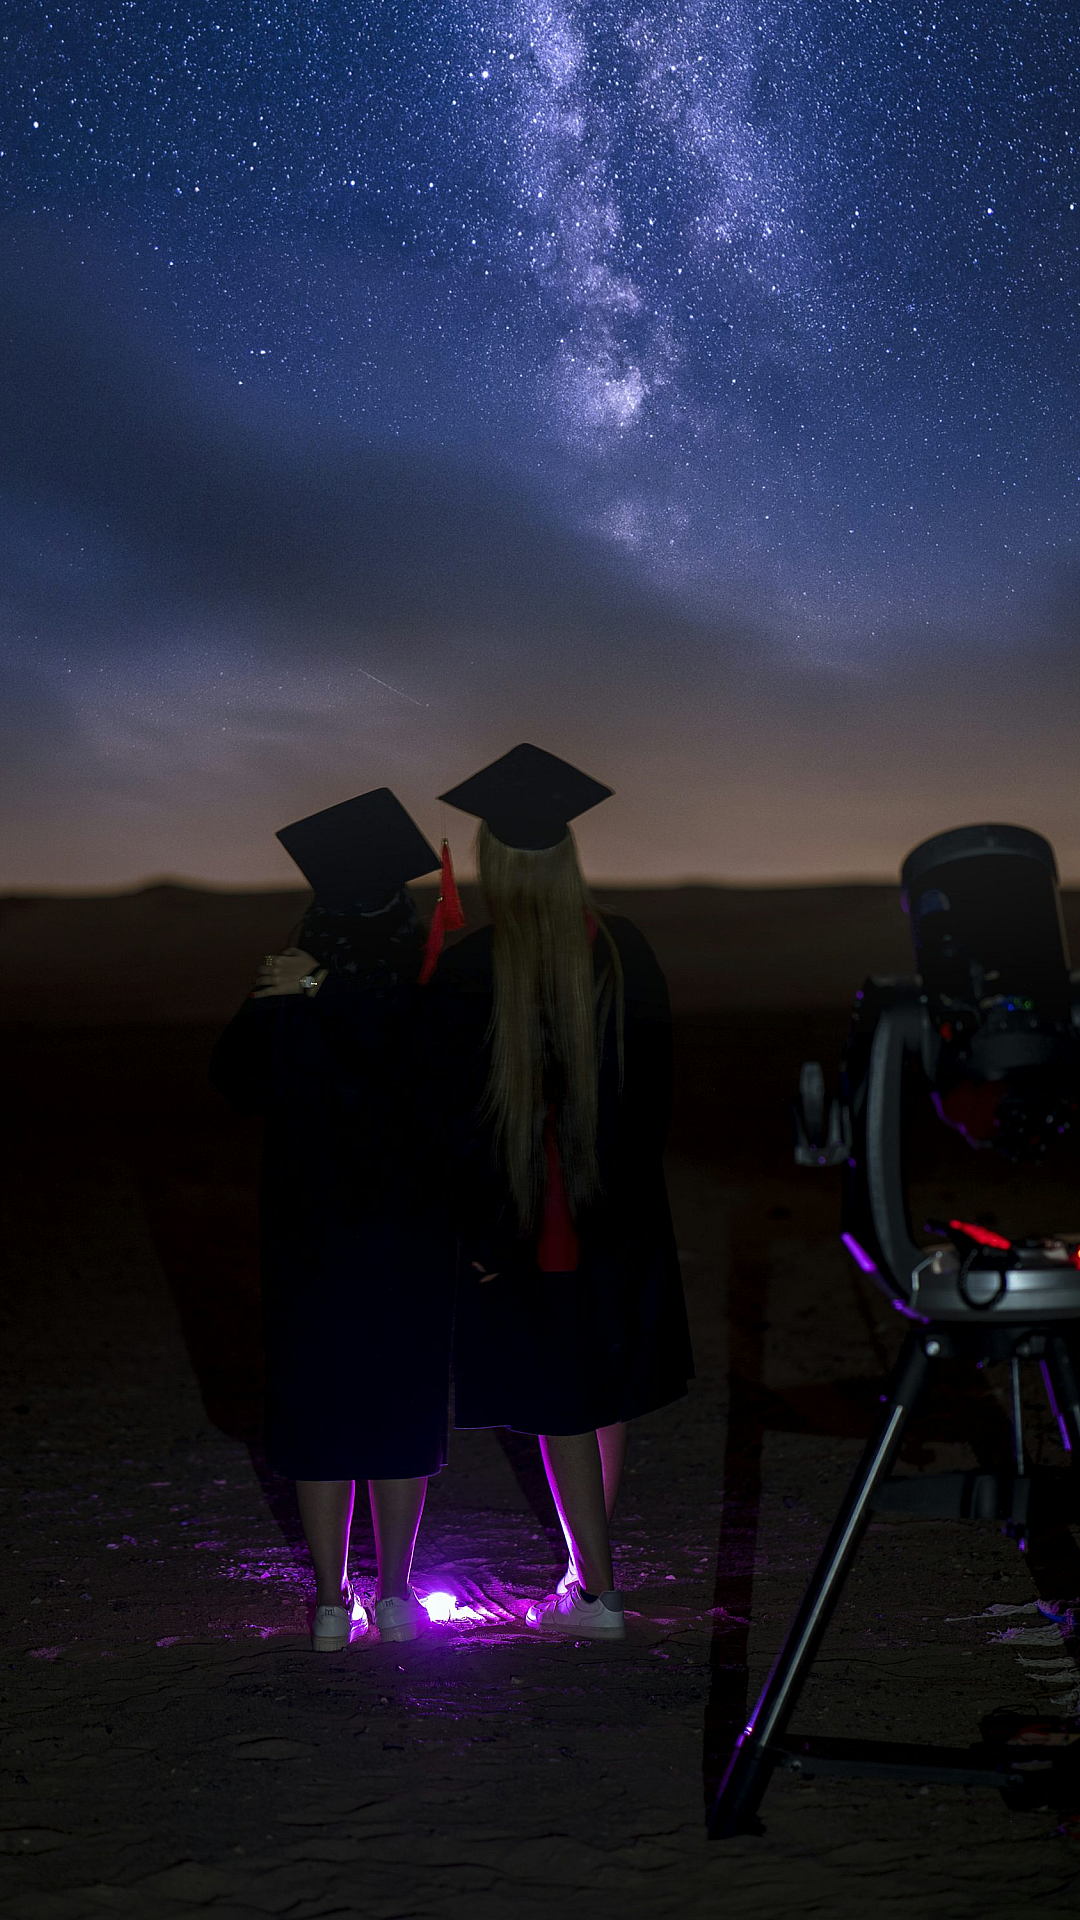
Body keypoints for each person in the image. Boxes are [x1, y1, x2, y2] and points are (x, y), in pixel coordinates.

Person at [425, 743, 694, 1639]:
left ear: (495, 863)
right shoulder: (624, 949)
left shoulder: (472, 967)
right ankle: (588, 1570)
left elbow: (453, 1116)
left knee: (563, 1402)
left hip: (528, 1219)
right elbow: (653, 1090)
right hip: (613, 1206)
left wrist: (478, 1230)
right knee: (597, 1388)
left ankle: (597, 1594)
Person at [208, 787, 458, 1649]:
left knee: (319, 1402)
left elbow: (236, 1081)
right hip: (404, 1227)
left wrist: (289, 993)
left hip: (310, 1229)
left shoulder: (302, 972)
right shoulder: (421, 983)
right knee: (397, 1398)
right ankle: (394, 1596)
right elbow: (419, 1073)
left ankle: (327, 1602)